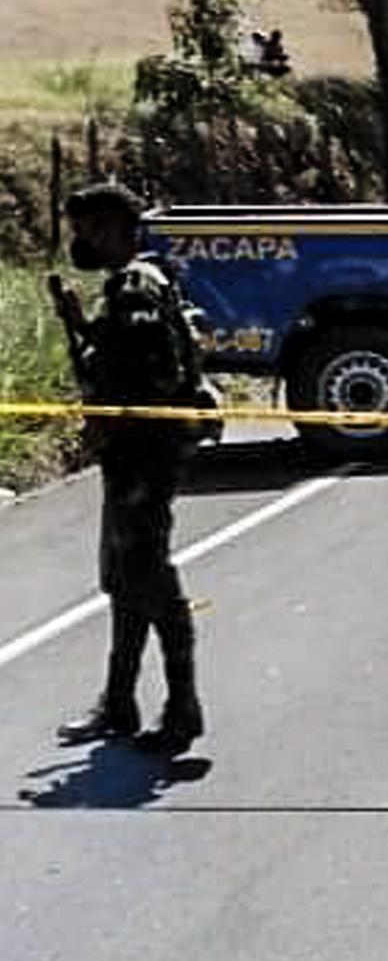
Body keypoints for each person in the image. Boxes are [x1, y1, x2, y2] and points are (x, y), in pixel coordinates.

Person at [54, 182, 209, 756]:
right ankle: (119, 702)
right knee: (124, 580)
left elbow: (153, 372)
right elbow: (127, 358)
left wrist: (113, 412)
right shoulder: (138, 283)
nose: (82, 240)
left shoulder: (135, 285)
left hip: (145, 452)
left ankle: (182, 706)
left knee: (151, 578)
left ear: (117, 227)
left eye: (90, 228)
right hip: (132, 452)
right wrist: (83, 326)